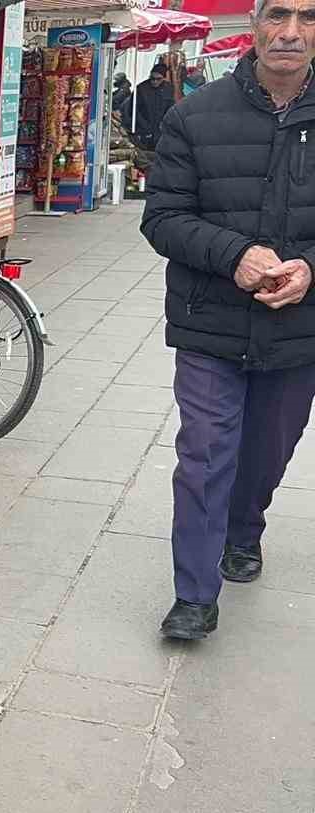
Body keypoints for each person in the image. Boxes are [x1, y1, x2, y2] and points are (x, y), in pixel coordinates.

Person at [141, 0, 315, 641]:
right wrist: (235, 255)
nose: (291, 32)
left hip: (301, 327)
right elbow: (161, 217)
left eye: (308, 17)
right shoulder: (195, 114)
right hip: (210, 319)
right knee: (207, 451)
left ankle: (245, 528)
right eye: (278, 15)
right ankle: (194, 593)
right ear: (254, 21)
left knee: (270, 448)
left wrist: (308, 270)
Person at [134, 61, 176, 149]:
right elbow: (134, 110)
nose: (154, 81)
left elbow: (170, 108)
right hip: (143, 130)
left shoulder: (169, 88)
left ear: (164, 78)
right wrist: (143, 127)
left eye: (158, 79)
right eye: (152, 78)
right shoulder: (141, 88)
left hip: (160, 130)